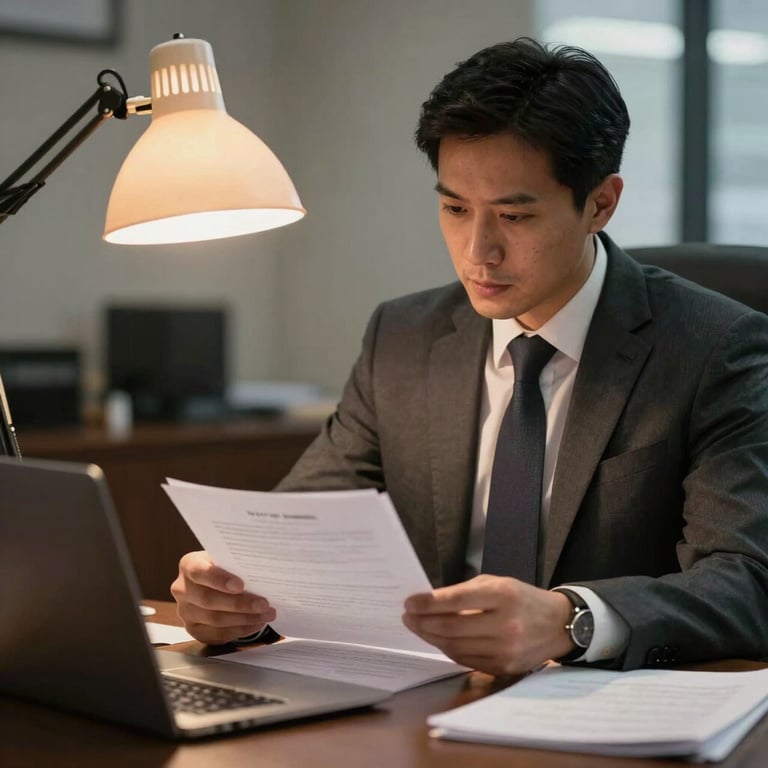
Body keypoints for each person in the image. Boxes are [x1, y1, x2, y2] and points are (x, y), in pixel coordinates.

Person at [171, 38, 768, 674]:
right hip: (426, 694)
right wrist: (233, 593)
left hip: (605, 701)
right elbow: (296, 533)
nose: (478, 251)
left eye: (514, 216)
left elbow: (746, 581)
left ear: (600, 203)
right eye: (455, 208)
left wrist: (571, 619)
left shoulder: (714, 347)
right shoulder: (404, 337)